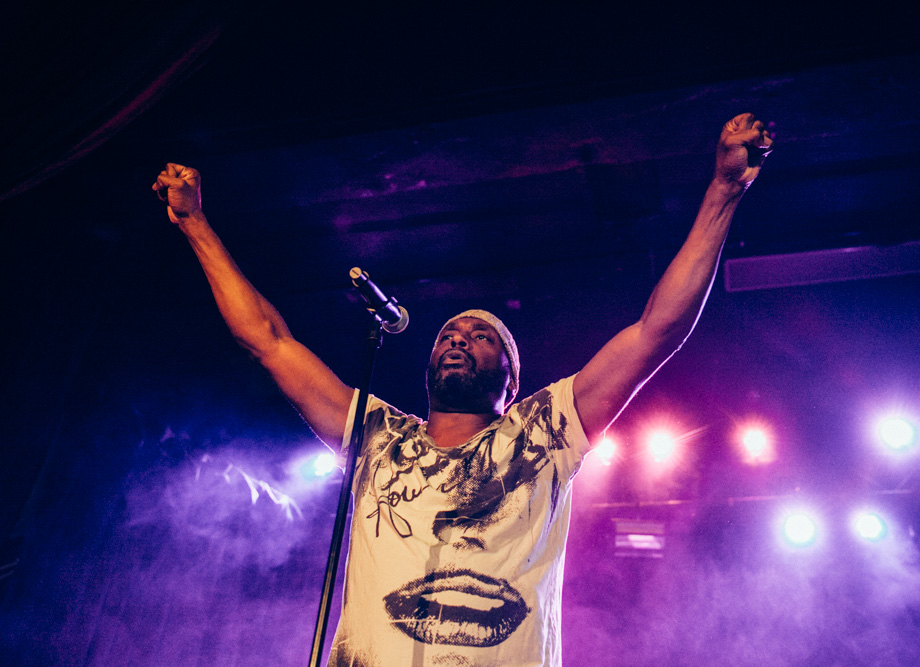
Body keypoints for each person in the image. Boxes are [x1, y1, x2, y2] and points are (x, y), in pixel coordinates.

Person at [153, 113, 772, 666]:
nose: (458, 339)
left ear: (512, 376)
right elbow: (268, 340)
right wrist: (194, 223)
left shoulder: (546, 430)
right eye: (450, 333)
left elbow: (655, 331)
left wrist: (724, 190)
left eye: (482, 337)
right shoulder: (377, 436)